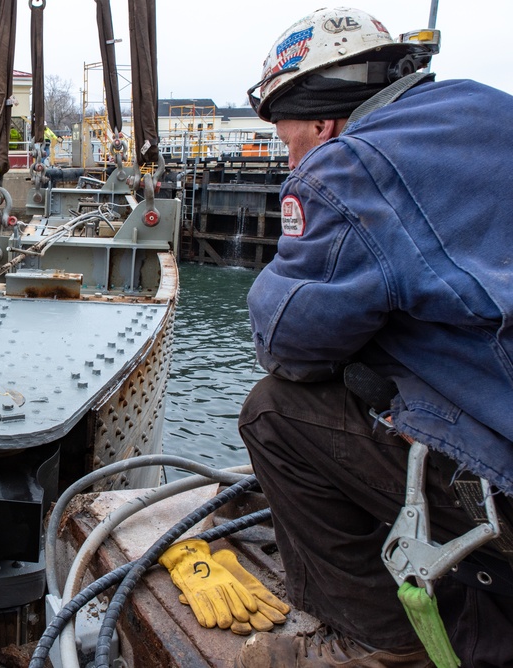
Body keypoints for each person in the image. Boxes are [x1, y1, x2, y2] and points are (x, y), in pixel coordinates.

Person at [236, 7, 513, 668]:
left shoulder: (347, 168)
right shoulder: (491, 108)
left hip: (501, 489)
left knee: (274, 412)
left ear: (320, 120)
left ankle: (378, 644)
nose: (290, 153)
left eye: (286, 137)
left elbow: (287, 343)